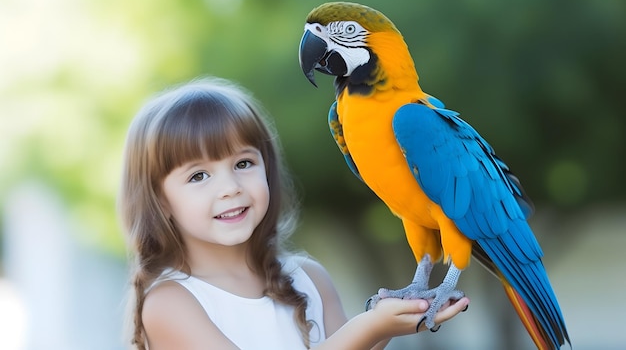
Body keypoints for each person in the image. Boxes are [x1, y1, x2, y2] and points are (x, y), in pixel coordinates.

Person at [118, 77, 470, 350]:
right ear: (159, 200)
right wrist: (372, 326)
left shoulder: (309, 278)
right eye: (199, 175)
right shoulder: (170, 302)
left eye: (243, 163)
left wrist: (392, 322)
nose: (230, 187)